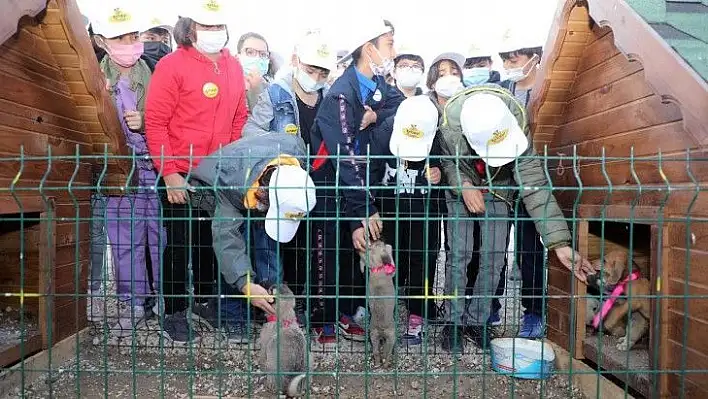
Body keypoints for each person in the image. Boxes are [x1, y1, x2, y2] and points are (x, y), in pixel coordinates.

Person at [436, 86, 593, 353]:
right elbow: (448, 163)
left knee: (494, 256)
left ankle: (478, 321)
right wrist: (462, 185)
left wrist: (559, 243)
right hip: (462, 185)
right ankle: (453, 322)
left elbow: (534, 183)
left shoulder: (514, 122)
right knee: (459, 254)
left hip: (501, 186)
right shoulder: (450, 129)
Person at [145, 0, 248, 343]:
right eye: (207, 27)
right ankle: (173, 310)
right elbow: (156, 122)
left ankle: (204, 302)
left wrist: (229, 165)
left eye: (219, 27)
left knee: (211, 239)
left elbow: (238, 119)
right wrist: (170, 172)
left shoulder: (233, 67)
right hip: (180, 169)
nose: (214, 33)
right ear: (190, 29)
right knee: (179, 242)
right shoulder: (172, 66)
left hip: (216, 172)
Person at [307, 17, 404, 344]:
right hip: (332, 187)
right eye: (389, 44)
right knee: (327, 252)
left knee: (355, 251)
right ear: (368, 48)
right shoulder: (340, 94)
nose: (394, 50)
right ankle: (322, 318)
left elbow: (401, 106)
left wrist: (377, 115)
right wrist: (364, 207)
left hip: (358, 187)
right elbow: (345, 155)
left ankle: (346, 312)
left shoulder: (377, 88)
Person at [240, 30, 336, 323]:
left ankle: (306, 309)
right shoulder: (276, 94)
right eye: (310, 69)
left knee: (308, 250)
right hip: (281, 185)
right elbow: (251, 134)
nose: (316, 77)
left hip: (317, 185)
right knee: (271, 247)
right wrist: (272, 163)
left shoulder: (330, 97)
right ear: (296, 61)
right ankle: (273, 311)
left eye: (322, 72)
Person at [90, 2, 165, 336]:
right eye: (121, 37)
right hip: (117, 170)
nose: (130, 43)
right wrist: (100, 105)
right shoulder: (91, 77)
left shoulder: (154, 72)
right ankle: (133, 303)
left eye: (133, 35)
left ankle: (163, 299)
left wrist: (146, 123)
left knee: (158, 236)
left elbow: (170, 120)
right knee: (124, 240)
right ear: (103, 42)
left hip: (153, 168)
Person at [189, 133, 317, 327]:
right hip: (215, 179)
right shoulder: (228, 180)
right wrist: (245, 285)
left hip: (253, 167)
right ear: (263, 195)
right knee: (234, 248)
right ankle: (230, 314)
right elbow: (227, 240)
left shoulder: (296, 156)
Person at [373, 96, 444, 345]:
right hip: (389, 210)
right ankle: (383, 318)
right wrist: (371, 207)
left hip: (425, 212)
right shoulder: (383, 134)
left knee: (422, 261)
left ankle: (417, 317)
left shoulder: (439, 138)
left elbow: (451, 166)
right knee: (387, 262)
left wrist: (440, 173)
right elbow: (371, 172)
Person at [495, 35, 546, 338]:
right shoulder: (505, 92)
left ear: (534, 56)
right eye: (505, 60)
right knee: (495, 248)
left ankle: (534, 312)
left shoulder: (546, 90)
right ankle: (491, 307)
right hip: (504, 182)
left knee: (529, 250)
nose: (508, 66)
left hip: (534, 181)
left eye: (513, 60)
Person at [236, 32, 271, 111]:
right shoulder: (226, 86)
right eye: (250, 52)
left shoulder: (271, 90)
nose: (257, 58)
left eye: (263, 54)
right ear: (237, 57)